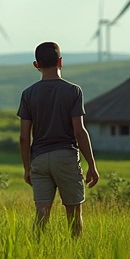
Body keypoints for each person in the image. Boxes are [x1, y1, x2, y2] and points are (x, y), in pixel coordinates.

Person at [17, 42, 99, 237]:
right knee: (74, 215)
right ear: (60, 61)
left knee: (42, 215)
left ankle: (35, 253)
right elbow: (79, 132)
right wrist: (92, 165)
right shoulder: (73, 91)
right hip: (66, 157)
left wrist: (27, 167)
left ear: (36, 65)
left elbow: (23, 136)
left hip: (39, 159)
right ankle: (74, 254)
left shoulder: (28, 94)